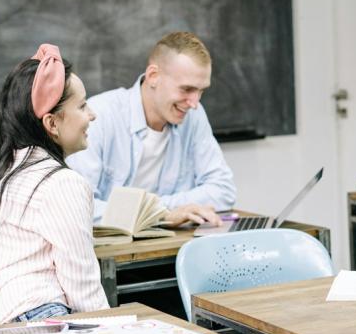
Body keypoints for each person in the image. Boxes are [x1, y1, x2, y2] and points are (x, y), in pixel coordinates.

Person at [0, 44, 108, 330]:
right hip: (39, 319)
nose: (92, 115)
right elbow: (82, 289)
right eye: (82, 105)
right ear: (51, 123)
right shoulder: (62, 183)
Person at [67, 31, 234, 227]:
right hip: (112, 253)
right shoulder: (98, 117)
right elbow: (80, 207)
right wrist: (161, 214)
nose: (195, 103)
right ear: (153, 76)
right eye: (187, 89)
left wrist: (160, 210)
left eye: (201, 91)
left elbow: (223, 191)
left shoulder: (194, 117)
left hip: (170, 246)